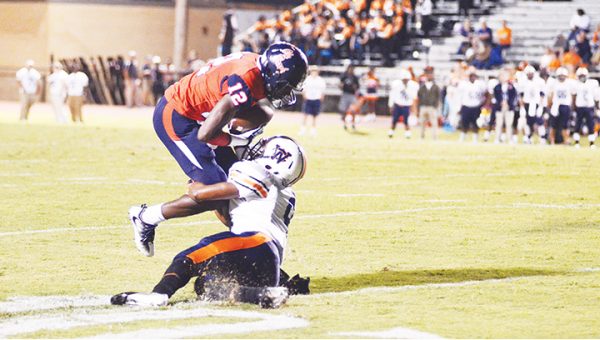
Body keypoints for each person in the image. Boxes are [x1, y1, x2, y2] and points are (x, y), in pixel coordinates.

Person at [128, 43, 308, 257]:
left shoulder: (257, 68)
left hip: (201, 118)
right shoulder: (244, 82)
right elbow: (205, 135)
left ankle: (248, 250)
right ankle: (146, 217)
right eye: (286, 86)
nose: (287, 92)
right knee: (215, 194)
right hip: (178, 118)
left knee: (237, 188)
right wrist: (234, 140)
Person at [112, 136, 307, 309]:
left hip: (256, 243)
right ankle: (263, 295)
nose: (258, 149)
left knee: (190, 257)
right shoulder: (286, 194)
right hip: (270, 267)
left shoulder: (256, 172)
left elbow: (198, 194)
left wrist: (195, 184)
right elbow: (230, 219)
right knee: (206, 285)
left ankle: (158, 295)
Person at [517, 65, 547, 144]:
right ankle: (528, 137)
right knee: (527, 122)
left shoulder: (540, 81)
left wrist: (541, 106)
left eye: (531, 73)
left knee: (539, 122)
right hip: (527, 103)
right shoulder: (522, 81)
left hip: (536, 104)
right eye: (528, 73)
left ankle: (542, 138)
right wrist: (522, 107)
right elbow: (521, 96)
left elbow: (542, 94)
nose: (530, 75)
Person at [547, 67, 576, 145]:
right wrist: (550, 105)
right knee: (553, 125)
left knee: (565, 125)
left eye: (563, 75)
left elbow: (573, 95)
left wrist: (572, 105)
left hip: (565, 105)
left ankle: (566, 140)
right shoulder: (553, 83)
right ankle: (552, 140)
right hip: (555, 105)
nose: (562, 77)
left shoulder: (570, 83)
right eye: (560, 75)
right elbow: (551, 96)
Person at [458, 69, 487, 143]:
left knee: (476, 123)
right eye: (471, 76)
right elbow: (459, 95)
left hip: (476, 106)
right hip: (466, 106)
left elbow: (487, 94)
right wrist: (459, 106)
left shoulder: (480, 84)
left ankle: (475, 139)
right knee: (464, 123)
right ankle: (462, 137)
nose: (472, 77)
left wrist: (485, 104)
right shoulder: (464, 84)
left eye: (474, 76)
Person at [388, 69, 418, 139]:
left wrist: (413, 108)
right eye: (403, 79)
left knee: (406, 120)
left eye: (406, 79)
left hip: (406, 105)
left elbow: (414, 97)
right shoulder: (396, 84)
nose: (405, 81)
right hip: (397, 104)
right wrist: (390, 105)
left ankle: (407, 133)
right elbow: (392, 95)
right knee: (394, 120)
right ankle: (391, 132)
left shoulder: (412, 85)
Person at [572, 67, 599, 148]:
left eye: (583, 75)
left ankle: (592, 143)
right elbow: (574, 96)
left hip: (589, 106)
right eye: (580, 75)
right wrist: (574, 107)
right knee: (577, 125)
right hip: (579, 107)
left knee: (591, 125)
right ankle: (576, 142)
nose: (582, 77)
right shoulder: (575, 84)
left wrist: (597, 107)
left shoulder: (592, 83)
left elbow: (596, 96)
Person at [491, 71, 517, 144]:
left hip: (509, 107)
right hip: (500, 107)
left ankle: (510, 139)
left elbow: (513, 96)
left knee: (509, 124)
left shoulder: (511, 86)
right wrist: (501, 102)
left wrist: (508, 103)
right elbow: (496, 96)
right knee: (499, 124)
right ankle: (497, 139)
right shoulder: (497, 87)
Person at [300, 66, 326, 136]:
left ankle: (313, 129)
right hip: (308, 98)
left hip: (316, 99)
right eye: (313, 70)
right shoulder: (307, 79)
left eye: (315, 71)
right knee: (305, 114)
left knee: (315, 115)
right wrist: (305, 96)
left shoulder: (320, 80)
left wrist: (321, 98)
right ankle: (303, 129)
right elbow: (303, 89)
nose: (314, 72)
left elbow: (322, 90)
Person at [417, 68, 441, 139]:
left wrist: (436, 106)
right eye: (428, 74)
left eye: (431, 74)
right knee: (422, 123)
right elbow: (419, 96)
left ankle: (434, 137)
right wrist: (419, 107)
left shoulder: (436, 86)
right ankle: (421, 136)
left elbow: (438, 97)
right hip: (423, 106)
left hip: (432, 107)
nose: (429, 76)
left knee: (434, 123)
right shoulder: (422, 86)